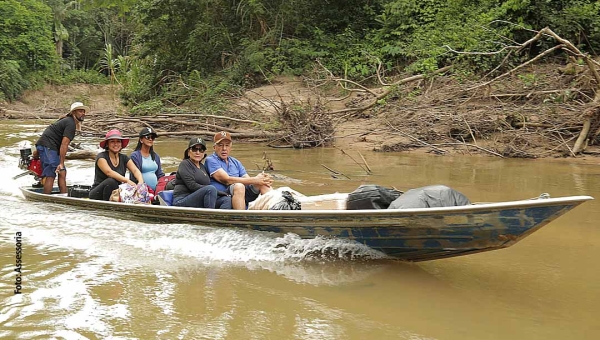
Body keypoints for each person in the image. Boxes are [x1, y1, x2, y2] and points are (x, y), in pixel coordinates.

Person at [205, 131, 273, 210]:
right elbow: (227, 180)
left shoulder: (235, 162)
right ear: (214, 147)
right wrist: (255, 179)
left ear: (231, 147)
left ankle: (277, 208)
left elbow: (248, 179)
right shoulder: (211, 160)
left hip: (241, 193)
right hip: (223, 195)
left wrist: (261, 179)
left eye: (227, 145)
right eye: (220, 145)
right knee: (239, 186)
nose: (224, 148)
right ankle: (241, 217)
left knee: (263, 183)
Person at [34, 102, 88, 194]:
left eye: (84, 111)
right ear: (73, 112)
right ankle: (46, 200)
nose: (83, 113)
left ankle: (64, 197)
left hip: (50, 146)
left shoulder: (69, 121)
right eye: (80, 111)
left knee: (62, 172)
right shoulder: (70, 123)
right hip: (48, 145)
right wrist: (61, 163)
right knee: (51, 172)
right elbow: (64, 144)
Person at [172, 137, 232, 209]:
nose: (198, 152)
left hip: (199, 199)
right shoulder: (185, 164)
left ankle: (221, 219)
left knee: (226, 199)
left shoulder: (202, 167)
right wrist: (218, 192)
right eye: (194, 149)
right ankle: (209, 217)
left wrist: (224, 193)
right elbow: (192, 186)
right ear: (188, 152)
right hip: (182, 200)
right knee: (210, 189)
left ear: (204, 153)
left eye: (201, 150)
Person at [89, 129, 144, 201]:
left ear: (121, 144)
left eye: (118, 141)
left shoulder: (124, 158)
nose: (116, 144)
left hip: (117, 192)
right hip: (98, 193)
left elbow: (135, 170)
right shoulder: (101, 157)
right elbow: (109, 172)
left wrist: (140, 183)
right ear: (107, 144)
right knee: (111, 181)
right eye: (112, 142)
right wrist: (127, 181)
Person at [129, 127, 165, 191]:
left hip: (156, 191)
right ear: (141, 140)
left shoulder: (156, 156)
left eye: (152, 137)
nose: (150, 139)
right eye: (148, 137)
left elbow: (160, 175)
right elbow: (134, 176)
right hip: (141, 190)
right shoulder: (135, 156)